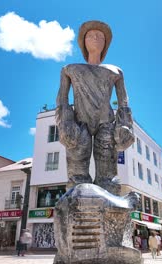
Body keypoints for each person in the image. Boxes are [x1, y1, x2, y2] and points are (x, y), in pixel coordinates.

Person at [56, 20, 135, 195]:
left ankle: (109, 204)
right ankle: (77, 201)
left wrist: (125, 125)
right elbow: (62, 98)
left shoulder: (115, 71)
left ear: (106, 44)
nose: (95, 38)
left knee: (108, 178)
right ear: (83, 42)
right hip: (79, 123)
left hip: (105, 123)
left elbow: (123, 101)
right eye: (90, 35)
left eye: (100, 36)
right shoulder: (70, 69)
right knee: (77, 177)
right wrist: (66, 122)